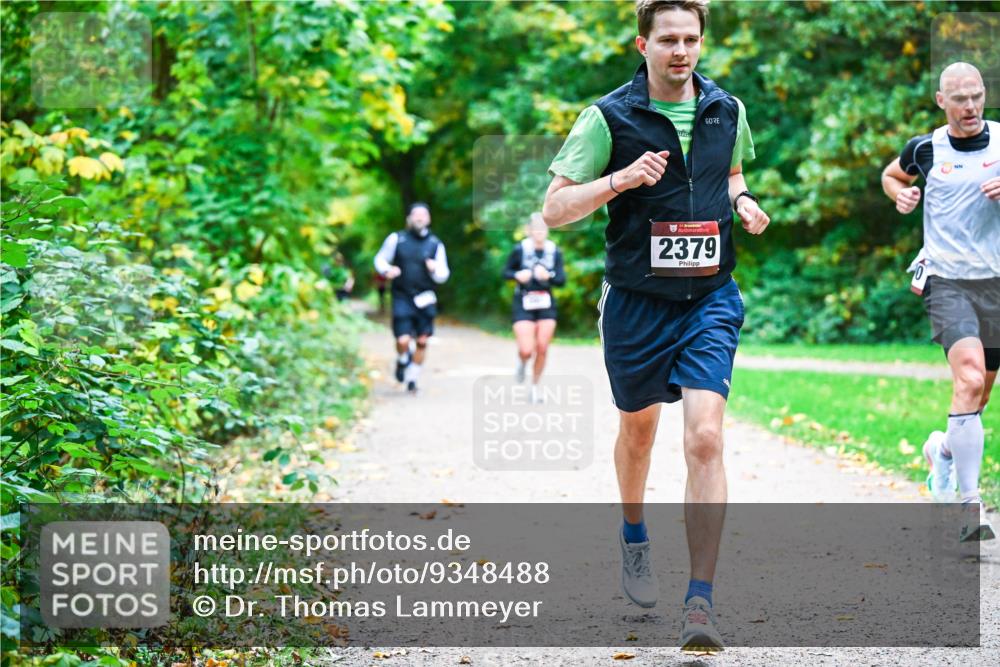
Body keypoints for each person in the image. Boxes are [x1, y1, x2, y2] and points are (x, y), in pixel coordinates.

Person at [541, 0, 769, 653]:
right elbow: (555, 209)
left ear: (702, 42)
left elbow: (731, 176)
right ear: (642, 43)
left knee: (704, 438)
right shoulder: (607, 117)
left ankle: (699, 600)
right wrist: (619, 179)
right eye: (667, 39)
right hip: (638, 301)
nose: (681, 51)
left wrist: (746, 203)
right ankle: (635, 533)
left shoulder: (728, 109)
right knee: (638, 434)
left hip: (710, 298)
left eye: (691, 39)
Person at [881, 62, 999, 542]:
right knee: (968, 376)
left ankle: (943, 451)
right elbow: (892, 174)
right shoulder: (926, 148)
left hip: (996, 279)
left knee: (978, 393)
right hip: (946, 278)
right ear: (940, 101)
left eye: (976, 96)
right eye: (959, 98)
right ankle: (969, 509)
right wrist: (900, 194)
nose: (970, 106)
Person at [373, 202, 450, 393]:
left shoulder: (435, 244)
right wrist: (387, 269)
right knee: (403, 340)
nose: (419, 217)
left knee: (422, 341)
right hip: (402, 296)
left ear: (429, 219)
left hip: (426, 297)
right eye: (416, 214)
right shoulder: (396, 239)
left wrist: (435, 269)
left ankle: (413, 378)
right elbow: (380, 259)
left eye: (423, 214)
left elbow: (444, 274)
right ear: (409, 218)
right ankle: (402, 360)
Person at [503, 213, 566, 402]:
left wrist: (549, 277)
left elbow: (561, 280)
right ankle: (522, 362)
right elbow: (505, 272)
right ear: (529, 230)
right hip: (523, 302)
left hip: (546, 303)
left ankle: (535, 387)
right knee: (526, 349)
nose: (539, 231)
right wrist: (517, 275)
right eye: (535, 228)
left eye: (543, 227)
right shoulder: (519, 249)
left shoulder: (554, 251)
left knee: (542, 347)